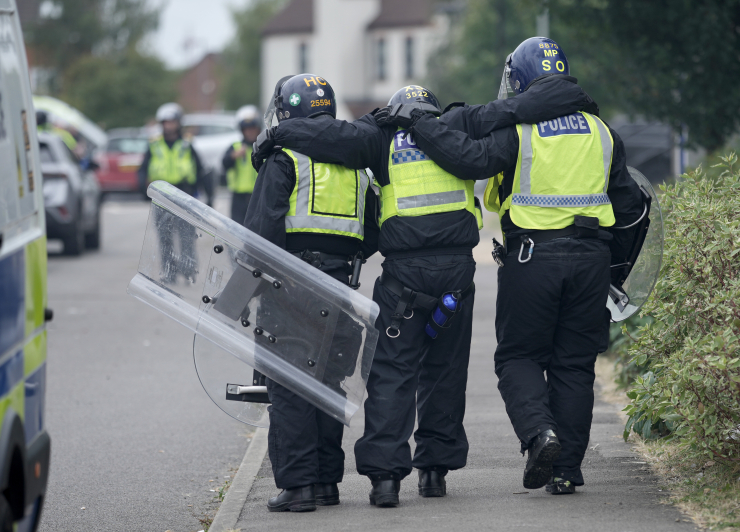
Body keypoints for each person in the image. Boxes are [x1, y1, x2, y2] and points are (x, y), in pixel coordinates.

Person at [251, 81, 598, 507]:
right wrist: (575, 97)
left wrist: (273, 136)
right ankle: (434, 471)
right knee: (445, 371)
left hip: (403, 276)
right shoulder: (460, 125)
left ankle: (384, 482)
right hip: (457, 273)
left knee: (392, 373)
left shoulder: (379, 138)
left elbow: (328, 137)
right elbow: (518, 107)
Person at [375, 37, 645, 496]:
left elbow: (467, 159)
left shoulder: (521, 129)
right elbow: (632, 208)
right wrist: (614, 273)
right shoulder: (602, 131)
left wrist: (421, 124)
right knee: (575, 366)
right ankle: (567, 472)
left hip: (533, 257)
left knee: (519, 356)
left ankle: (541, 434)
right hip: (592, 259)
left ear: (520, 79)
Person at [243, 73, 379, 512]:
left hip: (290, 284)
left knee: (289, 384)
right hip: (342, 287)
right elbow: (372, 234)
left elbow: (260, 235)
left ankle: (298, 486)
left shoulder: (284, 158)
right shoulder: (358, 166)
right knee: (328, 384)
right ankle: (324, 482)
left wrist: (241, 294)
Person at [139, 103, 205, 282]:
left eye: (172, 122)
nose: (168, 126)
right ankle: (169, 272)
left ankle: (189, 271)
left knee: (186, 236)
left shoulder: (187, 144)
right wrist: (142, 188)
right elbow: (143, 168)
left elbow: (199, 169)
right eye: (165, 122)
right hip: (162, 195)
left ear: (178, 123)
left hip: (184, 193)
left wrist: (202, 193)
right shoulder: (154, 145)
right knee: (165, 237)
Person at [222, 105, 261, 224]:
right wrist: (233, 156)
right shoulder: (235, 147)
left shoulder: (264, 148)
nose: (249, 132)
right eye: (246, 129)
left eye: (252, 128)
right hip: (239, 199)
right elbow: (224, 164)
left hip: (259, 197)